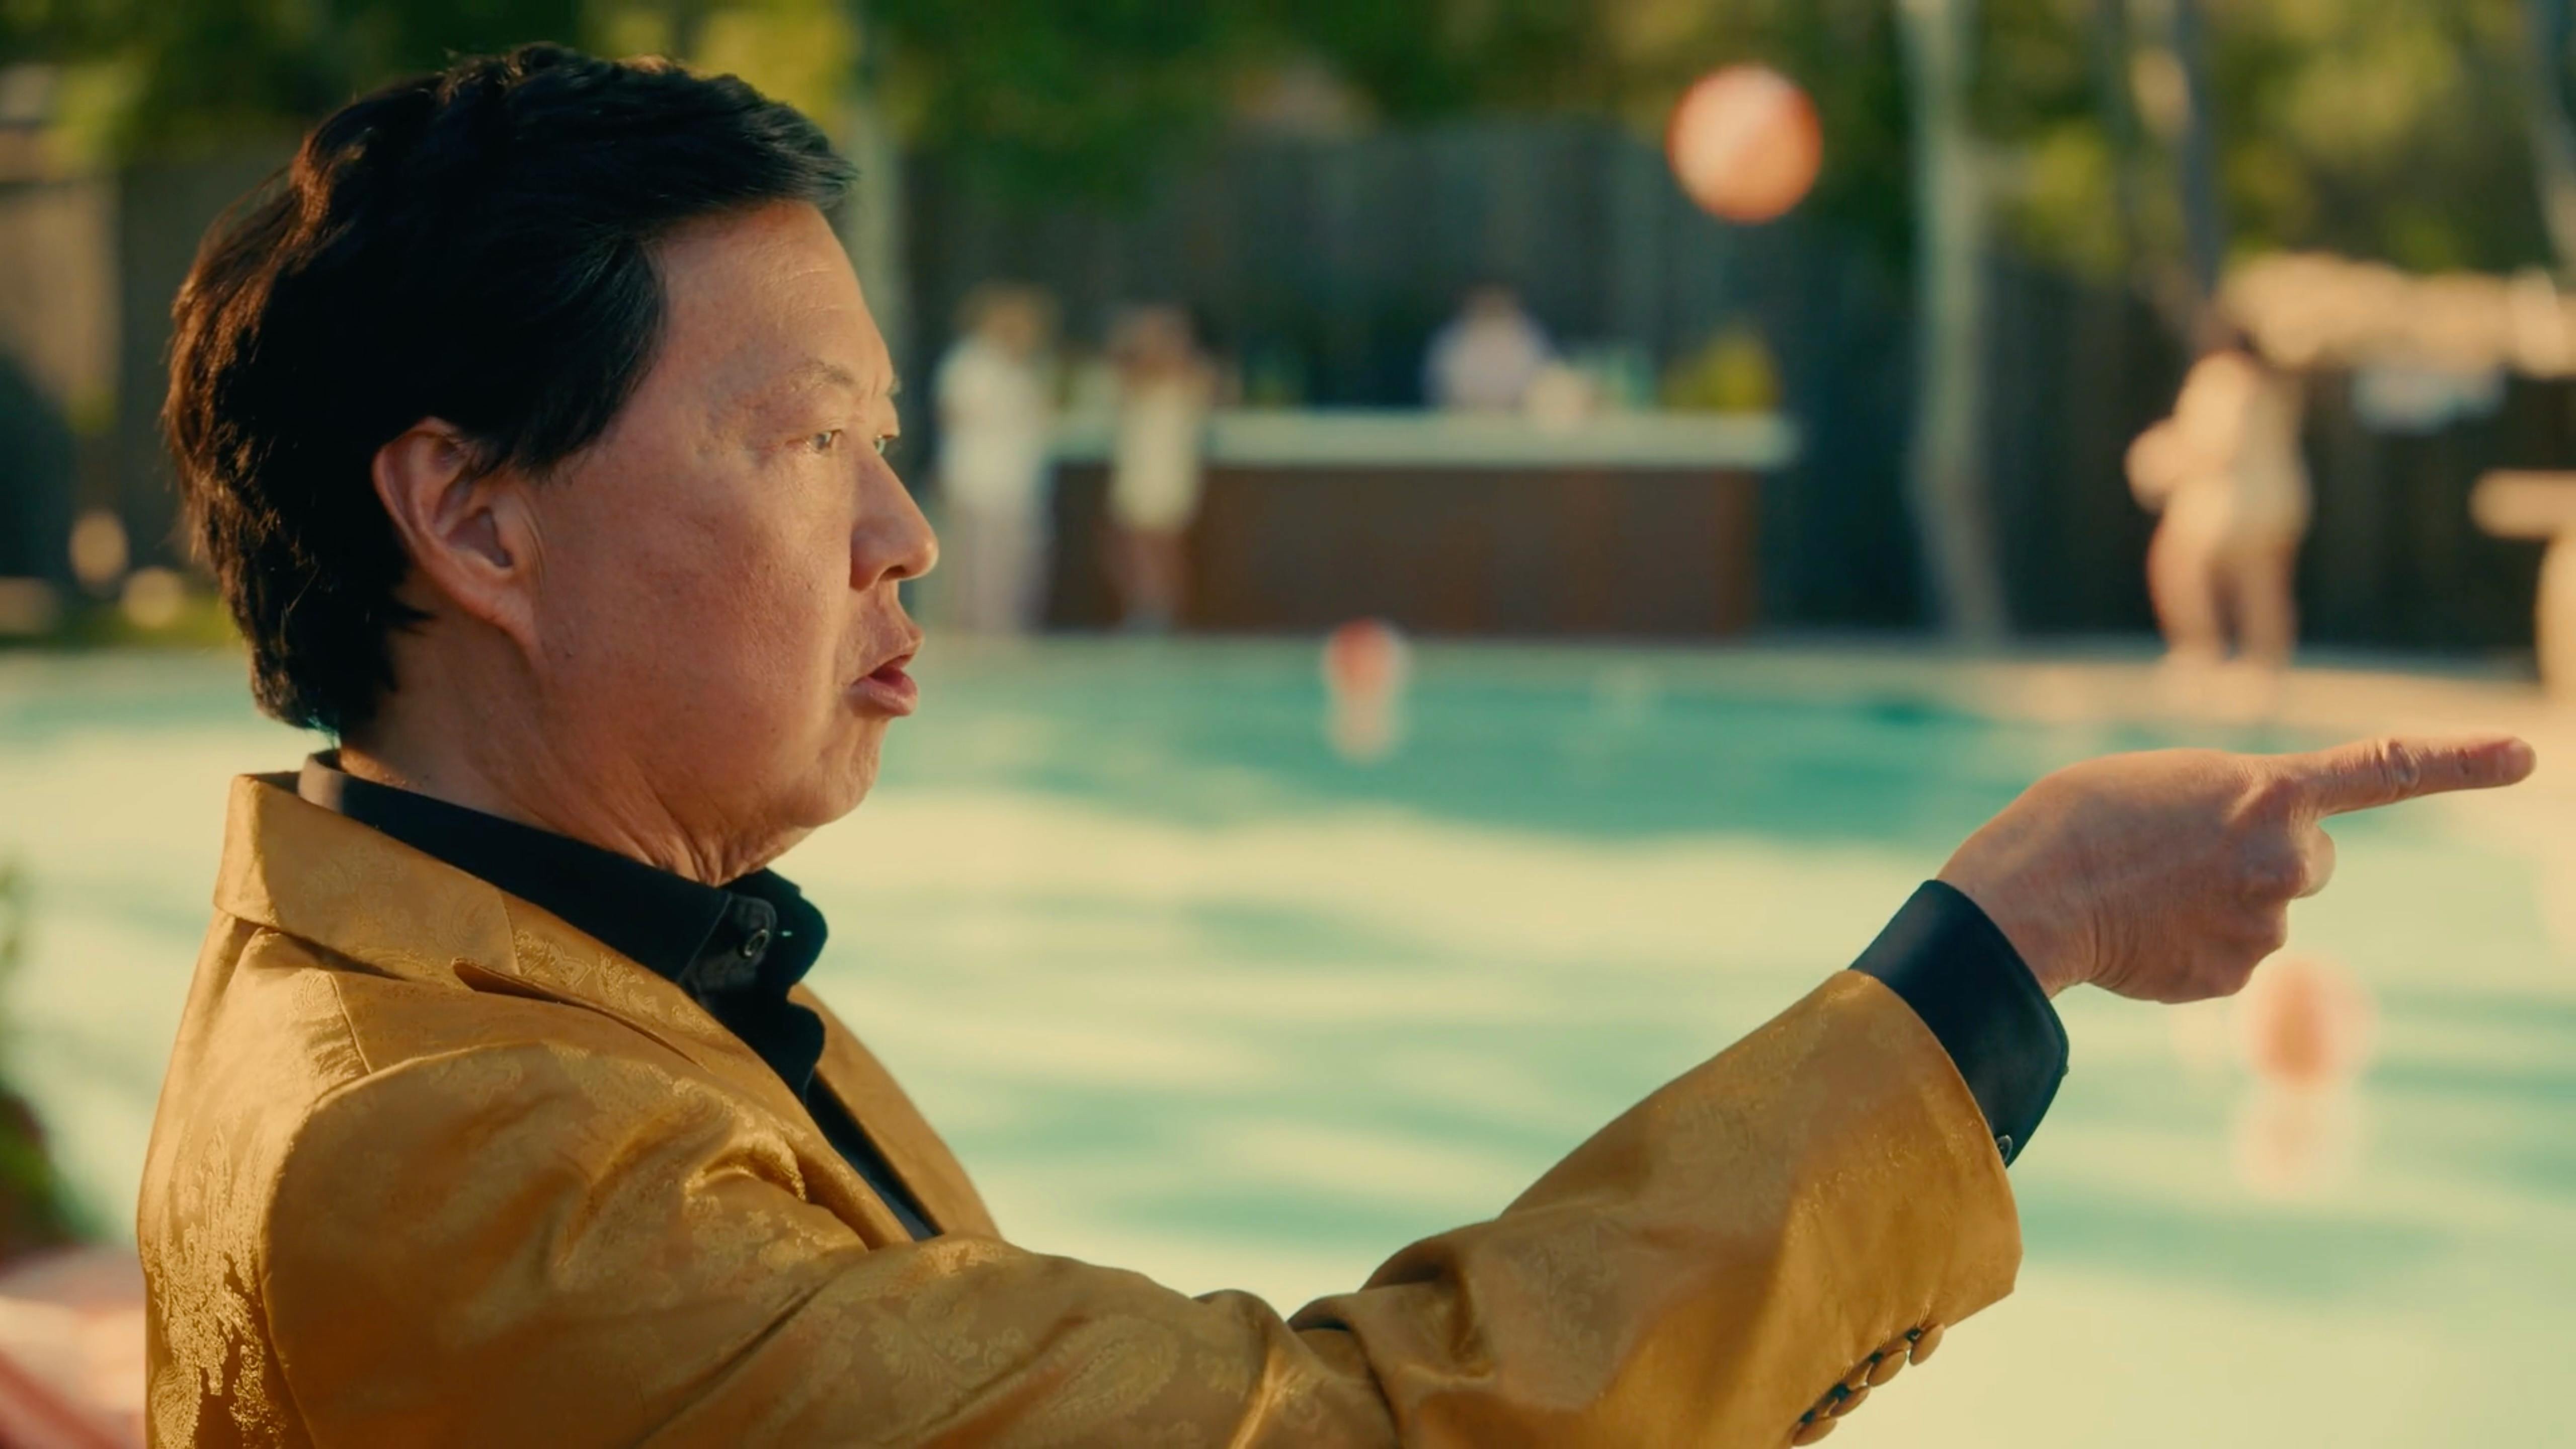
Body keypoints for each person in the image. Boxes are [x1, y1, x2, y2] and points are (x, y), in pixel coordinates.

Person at [140, 46, 2536, 1448]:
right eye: (800, 446)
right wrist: (2000, 947)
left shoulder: (540, 974)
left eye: (886, 439)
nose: (904, 534)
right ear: (476, 518)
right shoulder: (464, 1160)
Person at [2127, 343, 2314, 670]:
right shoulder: (2269, 382)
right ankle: (2251, 660)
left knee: (2239, 584)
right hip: (2264, 506)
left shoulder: (2225, 379)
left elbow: (2218, 443)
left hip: (2237, 508)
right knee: (2255, 587)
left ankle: (2216, 654)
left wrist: (2161, 461)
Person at [931, 283, 1057, 635]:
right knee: (976, 569)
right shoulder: (970, 364)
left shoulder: (1023, 370)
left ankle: (1004, 631)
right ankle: (973, 634)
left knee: (1014, 567)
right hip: (976, 481)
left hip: (1015, 485)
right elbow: (954, 416)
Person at [1104, 304, 1214, 631]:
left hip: (1168, 475)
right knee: (1128, 548)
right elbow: (1117, 365)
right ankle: (1143, 609)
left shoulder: (1189, 381)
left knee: (1165, 550)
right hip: (1137, 472)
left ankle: (1164, 614)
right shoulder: (1133, 382)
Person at [1424, 283, 1554, 413]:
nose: (1491, 304)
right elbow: (1439, 387)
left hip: (1518, 418)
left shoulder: (1531, 336)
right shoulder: (1449, 339)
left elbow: (1544, 384)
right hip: (1463, 418)